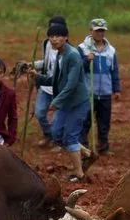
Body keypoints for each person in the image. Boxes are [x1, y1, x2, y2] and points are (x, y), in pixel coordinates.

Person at [29, 24, 93, 183]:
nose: (54, 39)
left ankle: (79, 174)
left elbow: (71, 84)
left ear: (66, 37)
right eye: (51, 36)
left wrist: (56, 102)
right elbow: (56, 80)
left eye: (58, 36)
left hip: (77, 103)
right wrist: (38, 77)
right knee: (57, 135)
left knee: (70, 137)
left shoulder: (73, 55)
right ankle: (88, 154)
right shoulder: (60, 54)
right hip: (66, 103)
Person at [78, 18, 121, 155]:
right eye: (97, 31)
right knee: (86, 121)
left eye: (102, 31)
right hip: (88, 92)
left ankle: (103, 146)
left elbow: (114, 71)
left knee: (104, 122)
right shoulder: (82, 49)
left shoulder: (111, 51)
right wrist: (86, 60)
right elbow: (77, 69)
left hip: (105, 92)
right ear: (91, 31)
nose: (100, 33)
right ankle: (83, 146)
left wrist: (116, 89)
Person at [33, 15, 67, 149]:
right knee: (40, 112)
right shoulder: (46, 44)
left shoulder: (68, 51)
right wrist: (31, 65)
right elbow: (46, 64)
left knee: (58, 118)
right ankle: (48, 134)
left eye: (57, 33)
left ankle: (58, 140)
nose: (54, 37)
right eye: (51, 32)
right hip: (46, 86)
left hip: (59, 88)